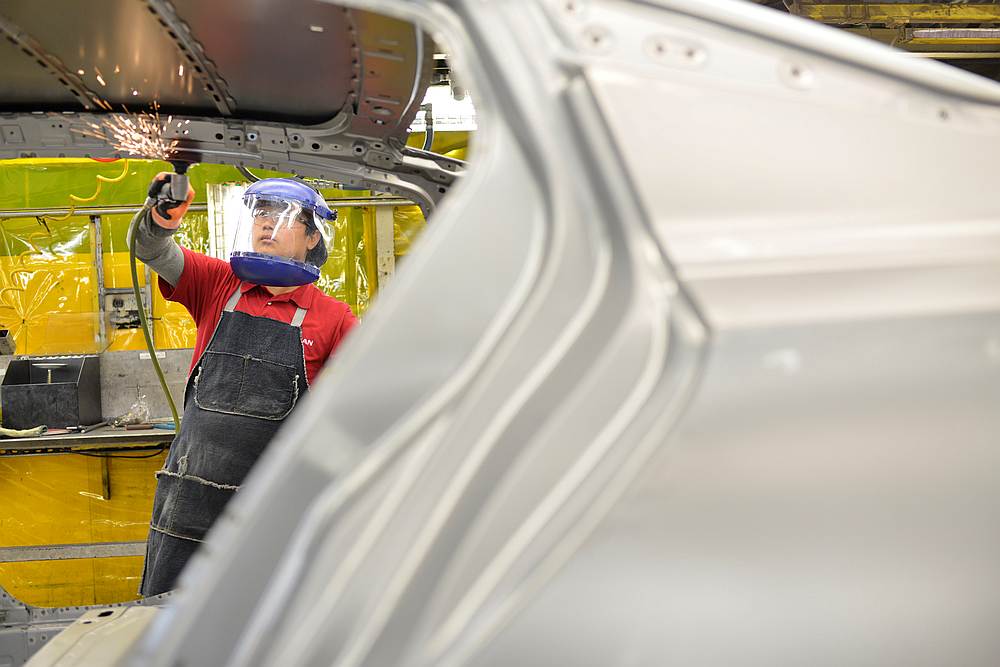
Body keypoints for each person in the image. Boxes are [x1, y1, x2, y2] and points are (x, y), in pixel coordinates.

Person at [131, 173, 357, 596]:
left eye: (284, 216)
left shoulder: (334, 319)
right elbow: (152, 250)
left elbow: (354, 415)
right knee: (164, 624)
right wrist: (160, 218)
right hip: (187, 501)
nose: (267, 224)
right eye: (261, 214)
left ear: (312, 237)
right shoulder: (216, 283)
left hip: (270, 513)